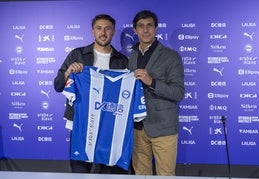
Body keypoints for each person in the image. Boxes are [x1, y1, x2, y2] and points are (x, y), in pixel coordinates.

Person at [54, 14, 129, 174]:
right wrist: (68, 72)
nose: (103, 33)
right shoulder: (77, 54)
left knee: (109, 173)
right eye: (99, 28)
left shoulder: (122, 60)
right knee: (80, 171)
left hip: (110, 124)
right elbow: (58, 85)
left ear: (113, 32)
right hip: (82, 123)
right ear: (92, 31)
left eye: (108, 29)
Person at [128, 10, 185, 176]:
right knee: (141, 174)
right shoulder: (131, 57)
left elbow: (178, 93)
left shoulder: (171, 56)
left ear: (156, 28)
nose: (145, 30)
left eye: (149, 26)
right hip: (137, 127)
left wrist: (151, 82)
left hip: (163, 128)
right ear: (135, 30)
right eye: (141, 26)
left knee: (165, 174)